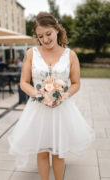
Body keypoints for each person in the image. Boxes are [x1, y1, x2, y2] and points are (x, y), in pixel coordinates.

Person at [8, 12, 95, 180]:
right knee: (41, 152)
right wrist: (38, 94)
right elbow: (24, 82)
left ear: (56, 30)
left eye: (48, 34)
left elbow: (76, 83)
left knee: (58, 153)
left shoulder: (70, 55)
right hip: (38, 109)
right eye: (40, 36)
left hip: (62, 110)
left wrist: (63, 95)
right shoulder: (31, 53)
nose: (45, 39)